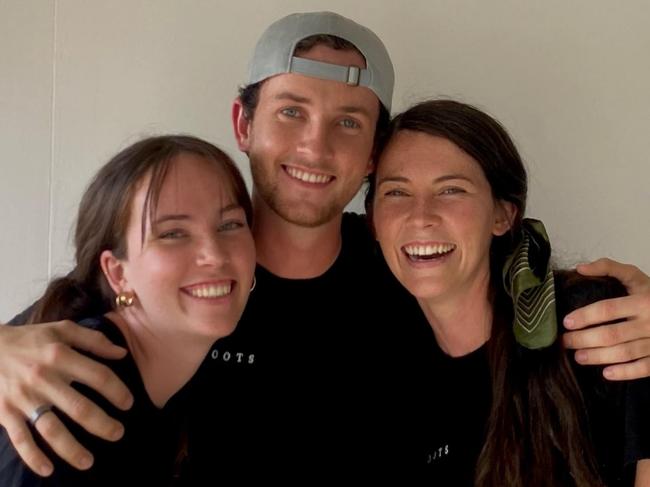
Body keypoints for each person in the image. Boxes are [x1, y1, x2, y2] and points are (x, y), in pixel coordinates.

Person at [1, 11, 650, 477]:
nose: (316, 146)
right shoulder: (182, 283)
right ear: (243, 123)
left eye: (348, 121)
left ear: (373, 153)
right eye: (291, 111)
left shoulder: (410, 274)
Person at [367, 99, 650, 485]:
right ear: (374, 222)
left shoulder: (591, 320)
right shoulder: (386, 375)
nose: (421, 216)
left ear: (503, 215)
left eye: (451, 190)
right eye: (396, 193)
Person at [0, 135, 256, 485]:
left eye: (230, 225)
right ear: (117, 273)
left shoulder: (173, 378)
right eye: (173, 234)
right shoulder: (75, 393)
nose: (214, 254)